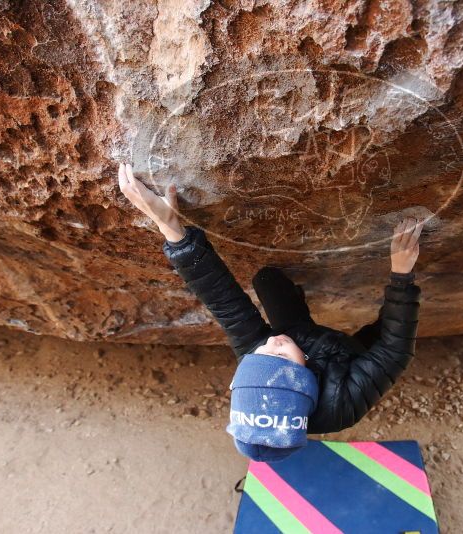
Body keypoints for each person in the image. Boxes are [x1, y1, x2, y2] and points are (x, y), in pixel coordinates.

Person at [118, 163, 422, 462]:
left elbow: (223, 301)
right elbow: (394, 351)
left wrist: (171, 228)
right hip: (351, 358)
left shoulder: (261, 358)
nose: (271, 344)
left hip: (303, 338)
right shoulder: (342, 405)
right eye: (278, 359)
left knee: (266, 280)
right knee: (388, 330)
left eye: (258, 357)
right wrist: (401, 275)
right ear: (305, 383)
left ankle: (293, 309)